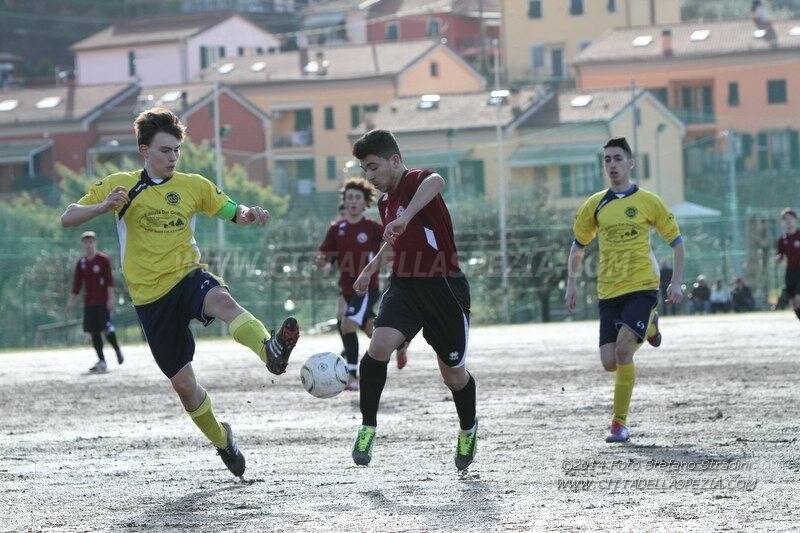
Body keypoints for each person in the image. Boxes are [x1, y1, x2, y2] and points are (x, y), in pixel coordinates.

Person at [60, 107, 300, 479]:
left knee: (221, 300)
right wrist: (104, 206)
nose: (172, 157)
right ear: (144, 150)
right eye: (164, 150)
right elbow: (68, 216)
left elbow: (234, 211)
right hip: (149, 299)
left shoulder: (194, 185)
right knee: (184, 386)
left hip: (187, 275)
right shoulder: (121, 184)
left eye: (176, 150)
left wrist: (251, 212)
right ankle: (223, 440)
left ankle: (270, 350)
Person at [349, 129, 477, 470]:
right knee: (377, 348)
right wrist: (368, 269)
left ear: (394, 160)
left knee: (454, 377)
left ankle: (467, 428)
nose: (369, 176)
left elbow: (437, 180)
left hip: (444, 289)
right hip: (405, 285)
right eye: (365, 169)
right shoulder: (384, 202)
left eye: (374, 167)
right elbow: (393, 240)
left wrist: (406, 216)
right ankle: (368, 427)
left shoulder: (418, 180)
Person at [564, 137, 684, 444]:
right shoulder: (596, 205)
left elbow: (677, 241)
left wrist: (676, 281)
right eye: (607, 160)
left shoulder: (648, 201)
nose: (612, 165)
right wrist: (572, 283)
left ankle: (618, 424)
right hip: (608, 292)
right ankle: (652, 326)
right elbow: (578, 246)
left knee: (623, 352)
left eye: (618, 159)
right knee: (608, 362)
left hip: (642, 287)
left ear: (630, 163)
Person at [316, 178, 409, 391]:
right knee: (369, 330)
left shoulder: (373, 227)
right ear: (344, 201)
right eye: (349, 197)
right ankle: (400, 342)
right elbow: (325, 254)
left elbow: (391, 245)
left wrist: (390, 259)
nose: (353, 201)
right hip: (346, 287)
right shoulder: (336, 228)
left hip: (367, 288)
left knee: (347, 323)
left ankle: (351, 375)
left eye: (357, 197)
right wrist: (325, 263)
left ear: (364, 202)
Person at [65, 231, 124, 373]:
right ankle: (102, 360)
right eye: (85, 242)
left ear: (95, 242)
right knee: (93, 331)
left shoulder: (103, 259)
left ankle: (117, 350)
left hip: (103, 301)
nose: (88, 244)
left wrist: (110, 299)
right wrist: (70, 303)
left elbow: (109, 281)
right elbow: (76, 285)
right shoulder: (82, 263)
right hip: (89, 302)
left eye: (90, 241)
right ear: (83, 244)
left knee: (106, 328)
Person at [776, 208, 800, 323]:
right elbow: (780, 255)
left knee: (798, 298)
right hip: (790, 271)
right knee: (792, 303)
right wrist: (778, 258)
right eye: (785, 219)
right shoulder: (782, 240)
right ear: (782, 223)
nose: (788, 221)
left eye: (790, 219)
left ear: (795, 220)